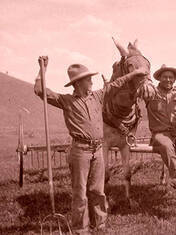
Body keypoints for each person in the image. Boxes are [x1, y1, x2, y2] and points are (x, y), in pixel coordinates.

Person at [34, 56, 148, 234]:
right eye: (88, 79)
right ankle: (81, 229)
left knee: (98, 190)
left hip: (97, 150)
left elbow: (116, 84)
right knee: (80, 193)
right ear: (78, 83)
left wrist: (134, 73)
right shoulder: (66, 101)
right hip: (80, 151)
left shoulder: (97, 96)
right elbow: (40, 91)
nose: (92, 81)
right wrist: (43, 69)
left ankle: (100, 224)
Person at [138, 64, 176, 201]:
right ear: (159, 78)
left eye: (171, 77)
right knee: (167, 146)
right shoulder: (151, 92)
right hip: (159, 134)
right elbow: (138, 88)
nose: (168, 80)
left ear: (175, 79)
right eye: (165, 77)